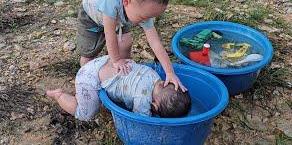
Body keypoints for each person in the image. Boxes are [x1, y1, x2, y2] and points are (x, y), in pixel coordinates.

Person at [76, 0, 186, 91]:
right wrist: (116, 60)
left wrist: (170, 72)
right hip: (92, 15)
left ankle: (123, 72)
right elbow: (110, 34)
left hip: (121, 15)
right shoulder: (111, 2)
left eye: (151, 17)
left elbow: (155, 43)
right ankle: (87, 82)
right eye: (144, 17)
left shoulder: (141, 10)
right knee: (88, 53)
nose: (147, 20)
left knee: (126, 42)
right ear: (126, 3)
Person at [46, 56, 191, 121]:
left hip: (106, 61)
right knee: (86, 113)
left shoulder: (153, 74)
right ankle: (59, 95)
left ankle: (80, 95)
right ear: (153, 105)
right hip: (89, 78)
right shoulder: (142, 99)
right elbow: (142, 120)